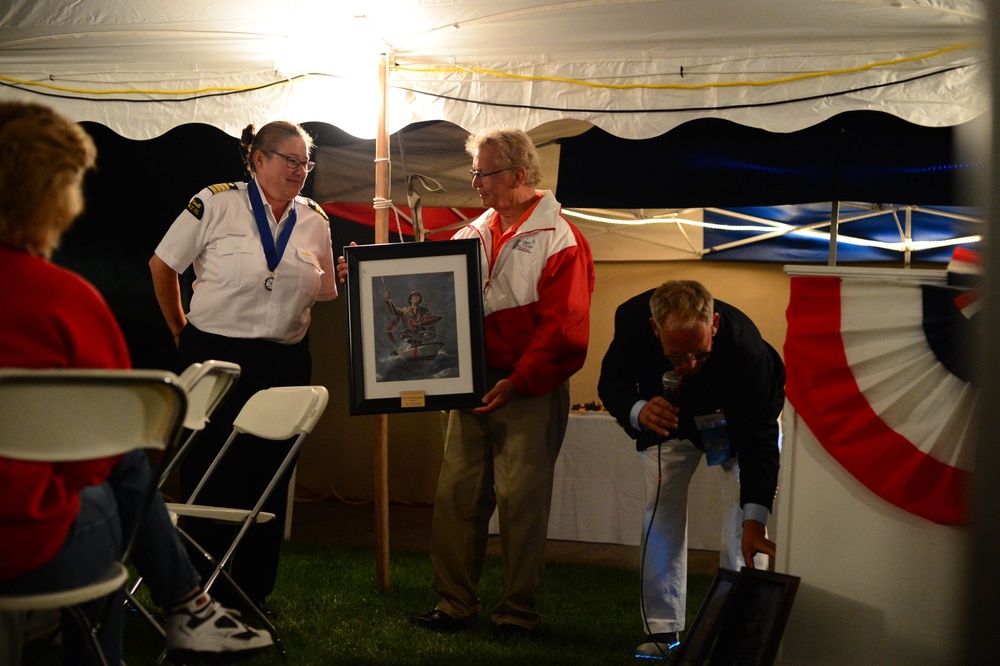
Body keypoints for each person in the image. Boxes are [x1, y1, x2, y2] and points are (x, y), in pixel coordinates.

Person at [0, 101, 272, 665]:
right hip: (28, 543)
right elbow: (96, 459)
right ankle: (182, 609)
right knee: (116, 475)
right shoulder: (66, 303)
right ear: (58, 197)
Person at [340, 128, 594, 639]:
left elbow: (565, 330)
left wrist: (519, 383)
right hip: (470, 385)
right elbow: (431, 293)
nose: (475, 182)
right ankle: (454, 603)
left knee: (521, 501)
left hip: (529, 389)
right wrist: (367, 274)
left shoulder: (560, 239)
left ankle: (517, 613)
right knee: (457, 495)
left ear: (519, 175)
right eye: (475, 171)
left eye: (484, 172)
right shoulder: (469, 235)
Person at [149, 120, 338, 609]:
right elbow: (162, 264)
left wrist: (340, 272)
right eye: (290, 161)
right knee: (211, 476)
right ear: (259, 159)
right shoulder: (215, 202)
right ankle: (195, 593)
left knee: (269, 480)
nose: (300, 171)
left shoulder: (314, 219)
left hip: (285, 362)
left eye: (306, 163)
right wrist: (179, 327)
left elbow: (323, 293)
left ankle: (251, 594)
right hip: (215, 355)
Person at [597, 280, 783, 659]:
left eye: (699, 354)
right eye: (677, 357)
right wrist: (639, 409)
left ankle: (743, 628)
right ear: (654, 329)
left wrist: (755, 520)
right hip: (670, 421)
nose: (691, 366)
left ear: (713, 324)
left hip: (736, 423)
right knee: (660, 509)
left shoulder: (748, 350)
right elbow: (612, 382)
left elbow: (760, 442)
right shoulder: (632, 321)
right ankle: (663, 632)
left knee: (743, 521)